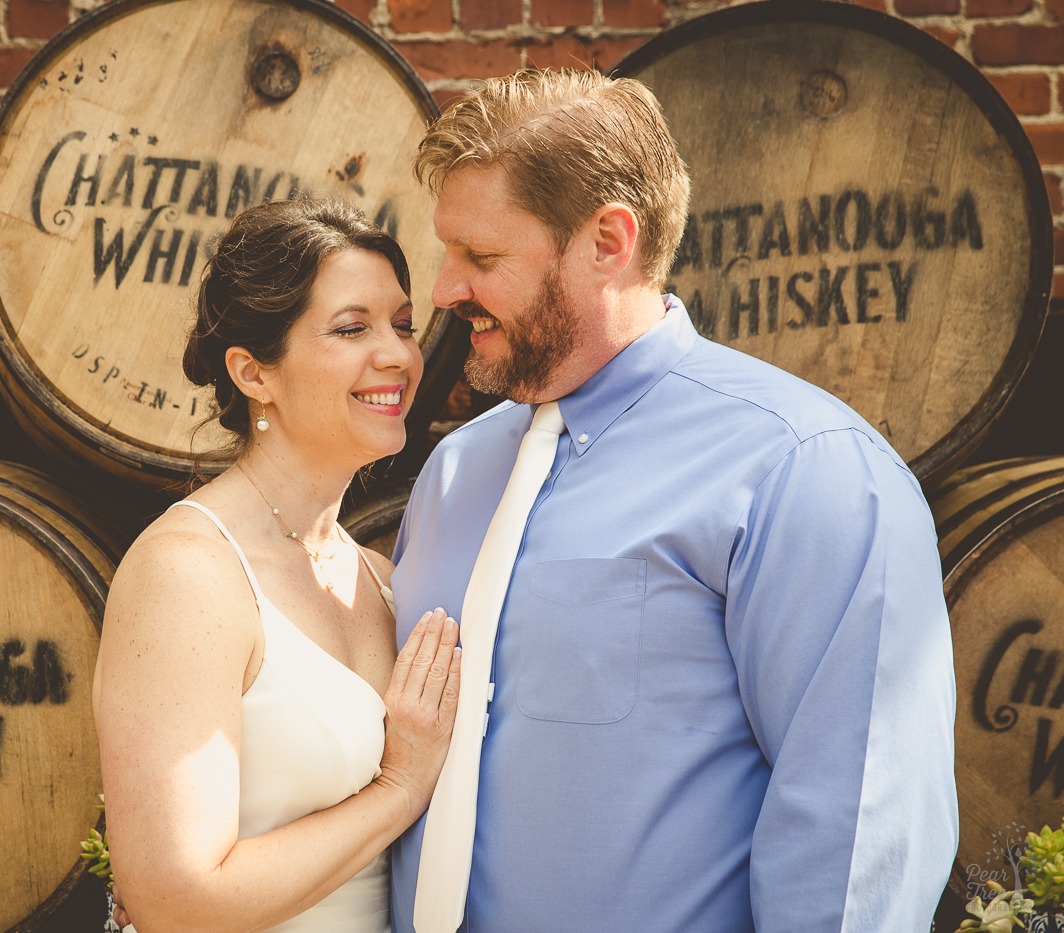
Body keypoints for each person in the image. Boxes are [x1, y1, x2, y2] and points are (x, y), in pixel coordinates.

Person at [388, 69, 957, 932]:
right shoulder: (455, 473)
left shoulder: (806, 470)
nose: (442, 289)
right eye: (447, 252)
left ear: (609, 241)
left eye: (482, 257)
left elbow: (857, 834)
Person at [91, 198, 462, 933]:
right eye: (352, 328)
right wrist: (399, 784)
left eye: (403, 324)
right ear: (254, 372)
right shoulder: (189, 573)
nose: (397, 354)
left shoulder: (380, 577)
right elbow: (175, 898)